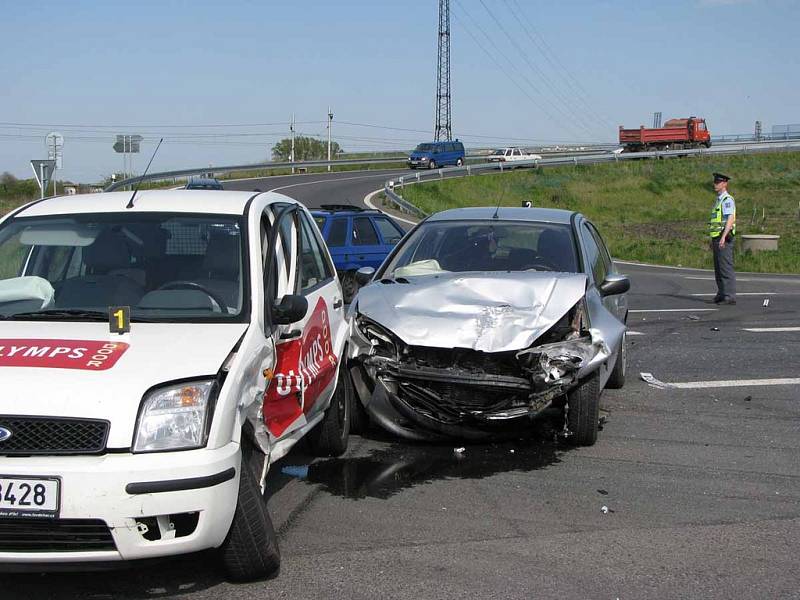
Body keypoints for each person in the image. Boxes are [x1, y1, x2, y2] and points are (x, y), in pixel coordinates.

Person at [709, 172, 736, 304]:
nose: (715, 184)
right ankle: (721, 293)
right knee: (718, 268)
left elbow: (730, 218)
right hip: (716, 237)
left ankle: (729, 295)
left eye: (718, 182)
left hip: (724, 237)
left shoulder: (727, 200)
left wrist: (723, 237)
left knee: (725, 267)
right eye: (715, 182)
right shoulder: (718, 200)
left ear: (725, 184)